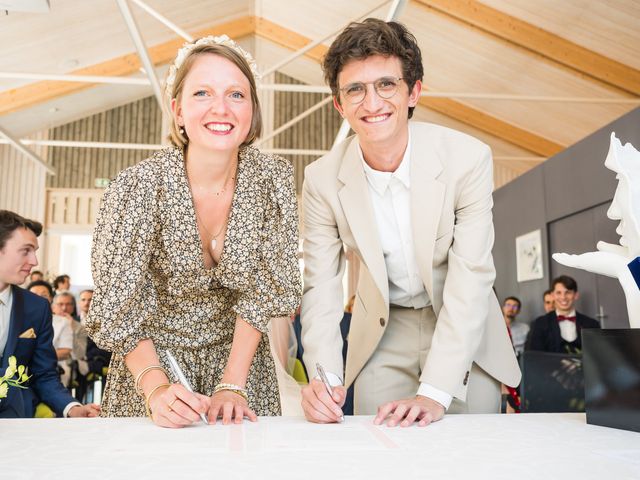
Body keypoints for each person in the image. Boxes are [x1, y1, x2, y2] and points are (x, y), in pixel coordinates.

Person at [300, 18, 520, 427]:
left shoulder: (468, 159)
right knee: (378, 450)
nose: (372, 103)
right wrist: (324, 378)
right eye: (355, 90)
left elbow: (471, 277)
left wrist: (435, 393)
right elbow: (321, 289)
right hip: (382, 329)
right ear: (338, 103)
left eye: (386, 84)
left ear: (413, 91)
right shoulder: (320, 179)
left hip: (461, 322)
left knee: (472, 450)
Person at [85, 35, 301, 428]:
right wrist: (155, 387)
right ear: (178, 110)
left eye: (237, 94)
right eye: (202, 93)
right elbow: (121, 303)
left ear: (252, 110)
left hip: (241, 365)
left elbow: (263, 290)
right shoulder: (137, 186)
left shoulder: (274, 180)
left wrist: (233, 383)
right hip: (150, 366)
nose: (221, 108)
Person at [0, 210, 99, 418]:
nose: (35, 261)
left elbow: (44, 374)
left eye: (35, 251)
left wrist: (72, 407)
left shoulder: (36, 307)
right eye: (26, 251)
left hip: (15, 417)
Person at [526, 275, 600, 354]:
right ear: (553, 295)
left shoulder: (592, 324)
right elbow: (534, 357)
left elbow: (597, 356)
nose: (563, 297)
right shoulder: (540, 323)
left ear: (576, 295)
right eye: (558, 293)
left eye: (568, 292)